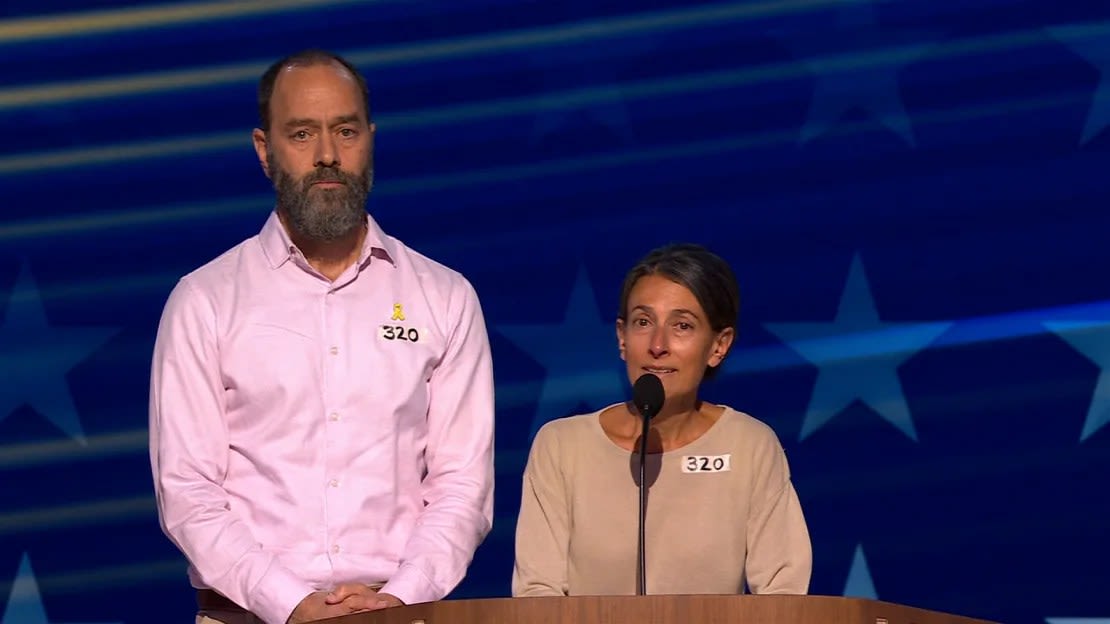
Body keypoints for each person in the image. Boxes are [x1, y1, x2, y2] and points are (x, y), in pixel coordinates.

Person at [149, 50, 495, 624]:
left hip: (400, 611)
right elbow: (188, 490)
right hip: (246, 614)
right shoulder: (204, 300)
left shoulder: (446, 297)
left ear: (371, 140)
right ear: (265, 151)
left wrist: (401, 596)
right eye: (303, 133)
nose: (328, 154)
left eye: (346, 131)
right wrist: (291, 604)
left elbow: (463, 485)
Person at [512, 243, 811, 596]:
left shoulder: (749, 445)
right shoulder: (562, 446)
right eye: (643, 322)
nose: (658, 344)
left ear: (719, 345)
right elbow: (537, 594)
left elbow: (784, 597)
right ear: (622, 338)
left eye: (682, 325)